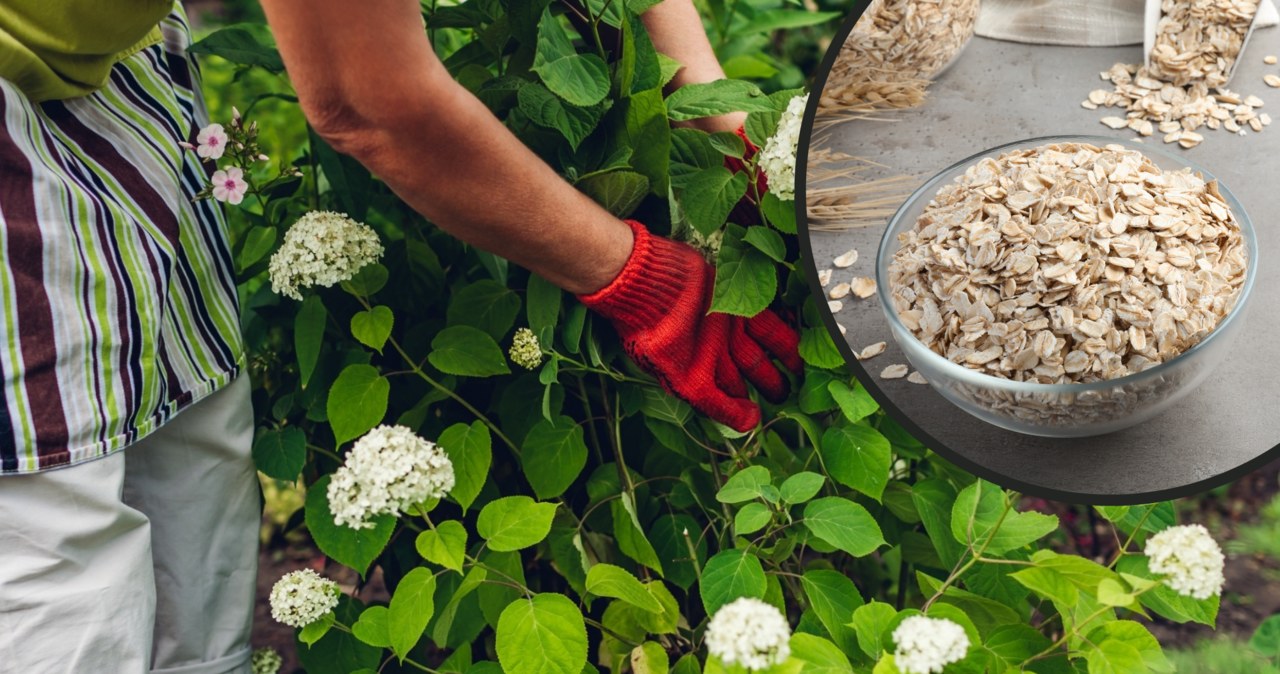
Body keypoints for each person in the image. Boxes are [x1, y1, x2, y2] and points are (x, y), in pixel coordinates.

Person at [0, 1, 800, 672]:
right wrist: (635, 278)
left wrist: (730, 141)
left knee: (192, 481)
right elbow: (366, 101)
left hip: (110, 62)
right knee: (64, 559)